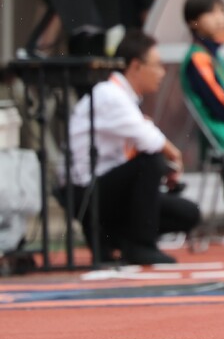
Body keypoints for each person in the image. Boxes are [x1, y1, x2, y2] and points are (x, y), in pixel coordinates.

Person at [59, 30, 200, 265]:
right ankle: (140, 246)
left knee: (187, 213)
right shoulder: (110, 95)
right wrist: (174, 155)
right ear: (136, 66)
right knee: (150, 161)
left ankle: (113, 239)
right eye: (157, 65)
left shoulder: (122, 96)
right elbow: (149, 139)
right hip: (85, 191)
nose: (162, 73)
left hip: (106, 186)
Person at [180, 0, 224, 150]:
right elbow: (219, 105)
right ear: (193, 22)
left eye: (222, 11)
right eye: (211, 13)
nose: (219, 18)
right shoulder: (198, 58)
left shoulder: (215, 56)